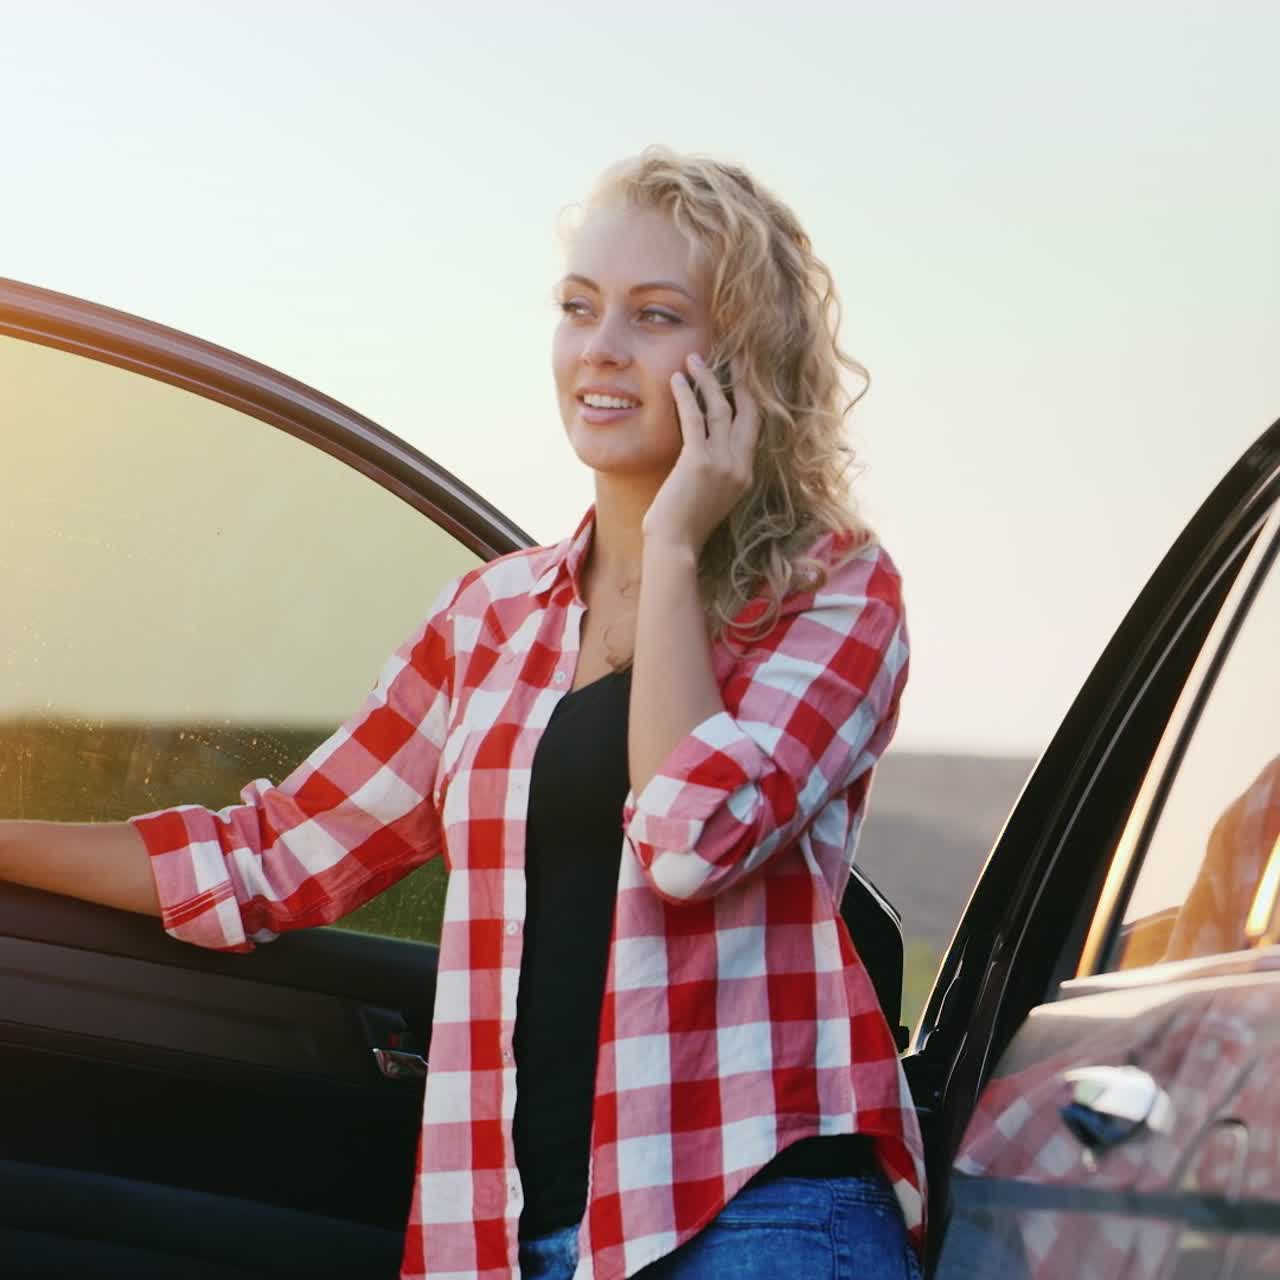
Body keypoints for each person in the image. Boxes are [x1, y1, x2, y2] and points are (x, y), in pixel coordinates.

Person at [0, 147, 925, 1280]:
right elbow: (273, 857)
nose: (601, 347)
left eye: (654, 314)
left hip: (750, 1214)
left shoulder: (831, 590)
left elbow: (692, 836)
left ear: (742, 362)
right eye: (579, 308)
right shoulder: (489, 616)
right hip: (513, 1243)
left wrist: (675, 546)